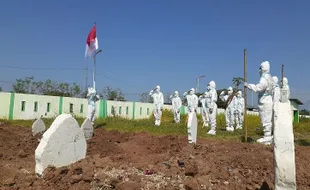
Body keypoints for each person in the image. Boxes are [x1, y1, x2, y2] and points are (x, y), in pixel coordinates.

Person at [244, 61, 273, 145]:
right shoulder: (269, 77)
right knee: (266, 119)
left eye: (260, 68)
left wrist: (249, 85)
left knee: (266, 119)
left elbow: (259, 88)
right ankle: (267, 136)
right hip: (267, 100)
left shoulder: (264, 78)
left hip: (265, 101)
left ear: (263, 68)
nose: (259, 70)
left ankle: (267, 138)